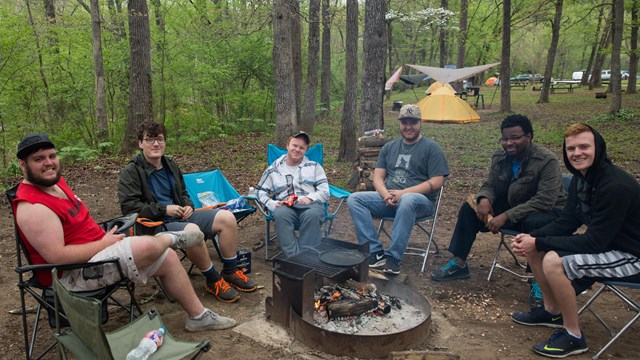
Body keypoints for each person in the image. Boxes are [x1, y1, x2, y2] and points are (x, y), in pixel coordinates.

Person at [12, 134, 236, 331]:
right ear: (23, 165)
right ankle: (169, 238)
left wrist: (105, 238)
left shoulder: (56, 184)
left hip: (98, 252)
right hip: (73, 274)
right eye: (39, 159)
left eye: (51, 156)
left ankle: (199, 317)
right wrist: (106, 242)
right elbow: (57, 258)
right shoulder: (33, 208)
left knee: (166, 257)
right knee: (150, 245)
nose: (49, 163)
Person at [510, 124, 640, 358]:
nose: (577, 153)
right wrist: (533, 239)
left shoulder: (614, 186)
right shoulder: (583, 178)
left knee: (552, 260)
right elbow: (568, 220)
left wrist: (539, 242)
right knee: (536, 249)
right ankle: (552, 311)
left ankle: (573, 335)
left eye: (584, 147)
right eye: (571, 148)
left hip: (631, 256)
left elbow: (593, 244)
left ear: (598, 148)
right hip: (607, 245)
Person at [431, 114, 566, 306]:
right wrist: (484, 198)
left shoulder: (546, 161)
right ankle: (459, 263)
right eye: (505, 138)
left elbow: (545, 200)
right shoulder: (500, 157)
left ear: (529, 137)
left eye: (515, 137)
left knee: (537, 222)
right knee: (469, 210)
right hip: (512, 206)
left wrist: (506, 216)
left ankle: (538, 280)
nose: (509, 143)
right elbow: (491, 184)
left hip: (545, 211)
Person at [118, 121, 256, 303]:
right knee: (192, 231)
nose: (156, 144)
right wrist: (164, 209)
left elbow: (183, 193)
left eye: (159, 139)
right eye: (150, 139)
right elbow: (129, 207)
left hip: (181, 216)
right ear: (140, 143)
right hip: (154, 225)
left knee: (227, 218)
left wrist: (188, 204)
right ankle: (213, 280)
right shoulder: (131, 171)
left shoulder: (170, 165)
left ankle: (230, 271)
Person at [347, 104, 449, 275]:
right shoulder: (389, 147)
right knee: (355, 199)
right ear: (399, 124)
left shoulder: (432, 148)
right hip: (391, 199)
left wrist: (404, 193)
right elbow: (378, 177)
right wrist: (385, 194)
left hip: (420, 202)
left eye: (413, 122)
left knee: (408, 200)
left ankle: (393, 258)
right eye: (404, 122)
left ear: (420, 123)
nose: (408, 126)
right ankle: (375, 252)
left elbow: (438, 181)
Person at [255, 131, 330, 257]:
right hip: (285, 206)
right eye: (294, 145)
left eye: (302, 148)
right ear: (287, 146)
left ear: (306, 150)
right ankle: (294, 258)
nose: (297, 150)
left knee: (313, 215)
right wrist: (271, 203)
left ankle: (307, 257)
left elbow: (325, 191)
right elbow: (259, 191)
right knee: (280, 214)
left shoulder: (314, 167)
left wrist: (310, 198)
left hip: (309, 205)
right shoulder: (274, 169)